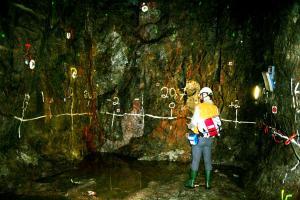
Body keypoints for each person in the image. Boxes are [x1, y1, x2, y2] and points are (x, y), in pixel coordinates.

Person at [185, 87, 221, 189]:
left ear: (204, 95)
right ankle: (208, 183)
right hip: (210, 139)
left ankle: (191, 182)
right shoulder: (215, 108)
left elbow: (193, 124)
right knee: (208, 160)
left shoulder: (199, 107)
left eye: (201, 94)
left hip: (199, 139)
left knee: (195, 160)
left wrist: (189, 126)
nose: (200, 96)